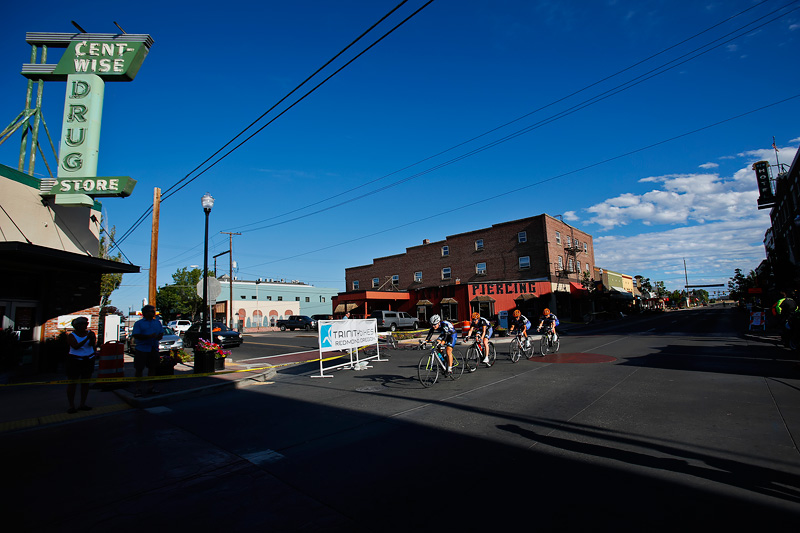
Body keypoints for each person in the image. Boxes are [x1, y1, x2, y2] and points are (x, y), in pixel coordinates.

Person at [66, 316, 96, 414]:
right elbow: (75, 346)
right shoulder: (72, 335)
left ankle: (82, 404)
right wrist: (87, 338)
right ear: (77, 326)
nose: (85, 326)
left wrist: (92, 338)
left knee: (85, 383)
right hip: (75, 360)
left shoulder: (89, 334)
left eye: (86, 324)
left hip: (88, 359)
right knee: (72, 383)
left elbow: (92, 345)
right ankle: (71, 405)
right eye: (83, 324)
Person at [132, 305, 163, 397]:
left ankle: (151, 387)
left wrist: (158, 336)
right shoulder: (139, 323)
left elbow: (161, 333)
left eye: (154, 311)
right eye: (151, 311)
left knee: (152, 368)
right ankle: (138, 388)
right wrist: (148, 337)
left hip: (153, 348)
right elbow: (136, 335)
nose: (153, 313)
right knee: (139, 369)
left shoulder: (157, 322)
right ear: (145, 313)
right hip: (142, 349)